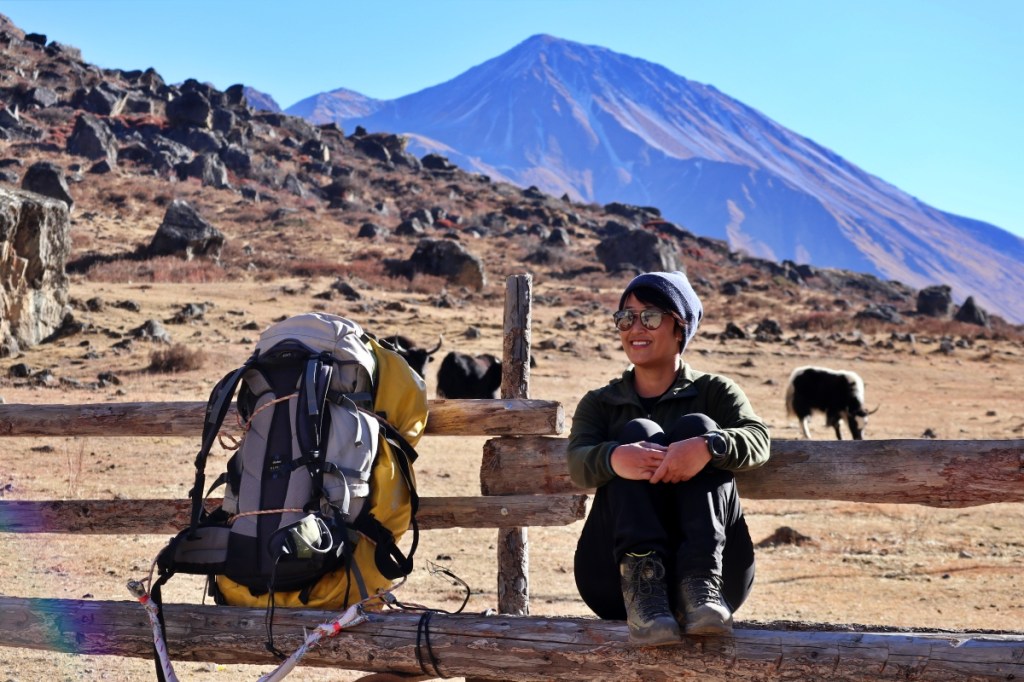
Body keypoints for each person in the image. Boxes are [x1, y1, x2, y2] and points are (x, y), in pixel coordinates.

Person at [567, 271, 770, 646]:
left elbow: (758, 440)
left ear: (680, 327)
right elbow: (577, 462)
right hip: (614, 583)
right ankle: (644, 587)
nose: (634, 328)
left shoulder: (715, 392)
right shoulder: (600, 403)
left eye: (650, 316)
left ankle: (699, 584)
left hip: (719, 580)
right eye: (625, 318)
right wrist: (615, 458)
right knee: (636, 434)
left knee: (699, 427)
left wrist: (708, 447)